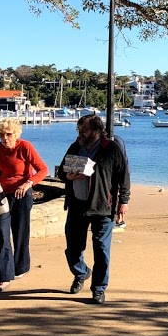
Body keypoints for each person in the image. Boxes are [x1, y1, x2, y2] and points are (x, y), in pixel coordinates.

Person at [57, 114, 130, 305]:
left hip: (102, 207)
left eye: (84, 130)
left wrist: (124, 201)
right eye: (78, 130)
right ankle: (81, 273)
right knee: (73, 248)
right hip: (76, 206)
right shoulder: (75, 147)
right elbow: (61, 172)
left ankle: (98, 289)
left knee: (102, 250)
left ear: (97, 130)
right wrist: (69, 177)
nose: (80, 133)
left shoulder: (111, 148)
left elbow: (124, 176)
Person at [0, 118, 48, 292]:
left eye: (9, 134)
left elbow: (43, 169)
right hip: (3, 195)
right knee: (2, 233)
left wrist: (28, 183)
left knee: (20, 232)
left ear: (16, 134)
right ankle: (3, 276)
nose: (6, 138)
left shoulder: (25, 147)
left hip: (22, 194)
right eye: (2, 135)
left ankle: (21, 267)